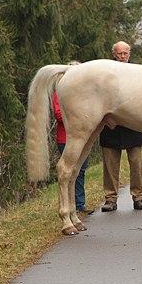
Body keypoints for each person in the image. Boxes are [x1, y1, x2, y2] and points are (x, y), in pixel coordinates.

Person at [99, 41, 142, 212]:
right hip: (110, 125)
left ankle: (139, 197)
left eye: (125, 53)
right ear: (114, 54)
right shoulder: (105, 73)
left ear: (129, 54)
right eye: (119, 54)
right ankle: (110, 198)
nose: (122, 57)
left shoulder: (138, 72)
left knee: (136, 163)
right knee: (110, 165)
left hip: (133, 124)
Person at [53, 85, 91, 215]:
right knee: (68, 170)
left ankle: (79, 203)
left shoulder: (81, 94)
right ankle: (68, 204)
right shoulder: (60, 93)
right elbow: (58, 113)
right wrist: (77, 117)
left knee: (80, 170)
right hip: (65, 138)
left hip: (82, 138)